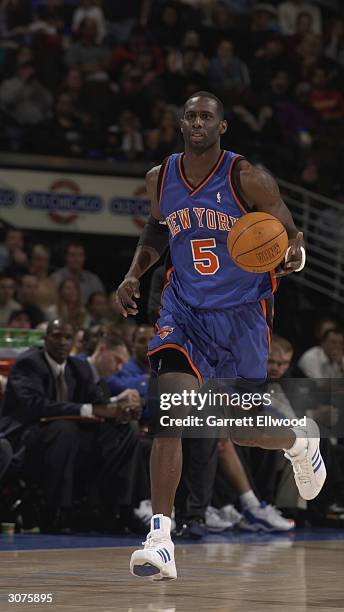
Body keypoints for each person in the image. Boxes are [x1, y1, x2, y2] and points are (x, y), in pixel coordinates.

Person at [115, 91, 326, 581]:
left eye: (206, 116)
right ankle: (161, 537)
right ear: (180, 122)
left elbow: (290, 232)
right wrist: (132, 275)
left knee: (229, 426)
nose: (196, 122)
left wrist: (294, 253)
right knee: (170, 412)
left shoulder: (246, 176)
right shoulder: (159, 177)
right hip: (183, 309)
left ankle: (298, 441)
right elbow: (156, 230)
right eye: (189, 115)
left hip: (240, 316)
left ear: (222, 126)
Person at [0, 319, 142, 532]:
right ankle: (58, 513)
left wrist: (120, 408)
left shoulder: (78, 367)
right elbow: (36, 406)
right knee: (64, 429)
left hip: (67, 438)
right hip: (25, 438)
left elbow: (98, 404)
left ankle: (118, 509)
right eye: (57, 336)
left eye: (68, 337)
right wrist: (89, 410)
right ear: (45, 339)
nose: (63, 342)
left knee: (126, 429)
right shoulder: (29, 363)